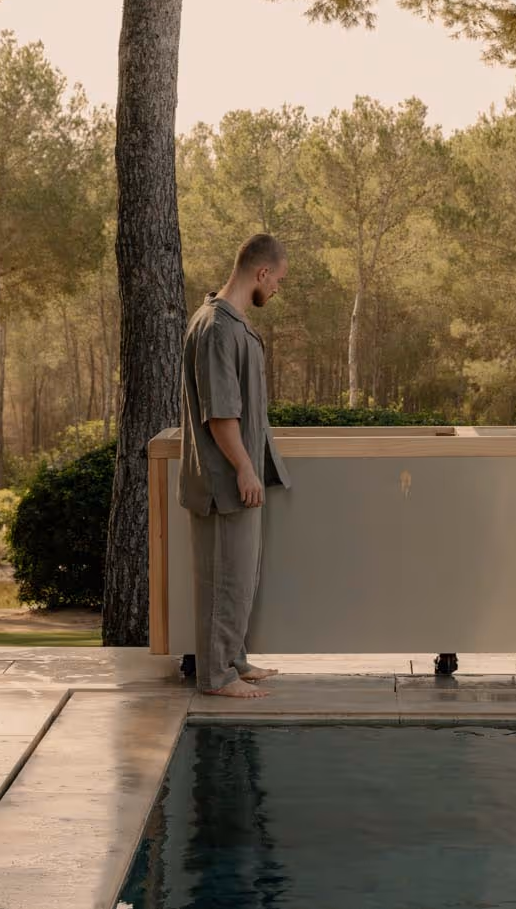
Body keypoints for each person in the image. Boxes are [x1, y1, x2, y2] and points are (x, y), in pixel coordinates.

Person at [180, 232, 291, 699]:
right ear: (261, 273)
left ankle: (234, 660)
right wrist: (245, 468)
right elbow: (221, 413)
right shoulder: (217, 328)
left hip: (238, 478)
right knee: (224, 579)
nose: (278, 289)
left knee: (240, 576)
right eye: (278, 280)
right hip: (223, 482)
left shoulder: (231, 322)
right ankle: (216, 675)